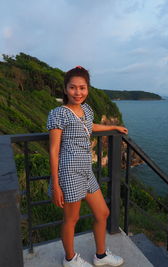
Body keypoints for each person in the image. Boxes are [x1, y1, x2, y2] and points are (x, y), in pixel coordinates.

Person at [47, 66, 128, 267]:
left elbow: (90, 127)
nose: (78, 92)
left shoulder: (87, 109)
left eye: (82, 88)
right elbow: (54, 149)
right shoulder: (59, 113)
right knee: (71, 219)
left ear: (87, 89)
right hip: (68, 172)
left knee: (103, 213)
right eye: (73, 87)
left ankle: (100, 256)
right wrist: (56, 185)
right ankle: (70, 259)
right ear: (65, 89)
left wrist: (113, 127)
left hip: (86, 171)